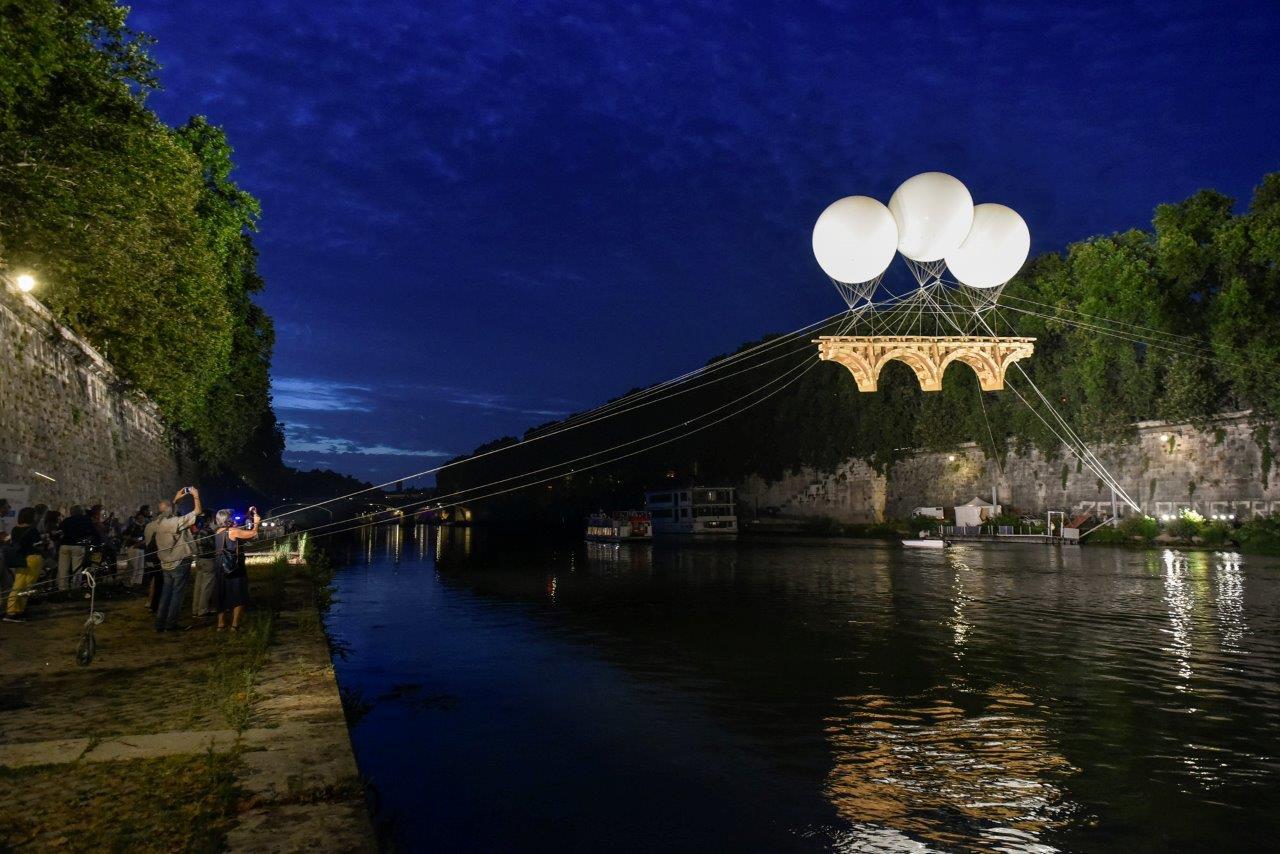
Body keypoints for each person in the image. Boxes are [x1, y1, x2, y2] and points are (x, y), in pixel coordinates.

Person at [152, 487, 202, 632]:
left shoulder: (158, 523)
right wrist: (196, 496)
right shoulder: (176, 522)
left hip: (165, 564)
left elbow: (167, 511)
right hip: (179, 562)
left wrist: (175, 499)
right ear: (170, 510)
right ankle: (171, 624)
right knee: (177, 595)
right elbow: (197, 512)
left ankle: (159, 624)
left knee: (166, 593)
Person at [213, 506, 259, 632]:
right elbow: (253, 533)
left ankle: (221, 625)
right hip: (234, 568)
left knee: (221, 594)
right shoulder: (233, 531)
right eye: (232, 517)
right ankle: (234, 625)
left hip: (219, 567)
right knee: (239, 594)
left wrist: (248, 513)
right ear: (228, 519)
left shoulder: (217, 532)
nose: (234, 519)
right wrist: (256, 522)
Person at [4, 508, 44, 622]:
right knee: (26, 586)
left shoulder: (15, 529)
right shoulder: (33, 530)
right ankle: (15, 612)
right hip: (33, 558)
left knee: (18, 584)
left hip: (20, 558)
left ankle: (13, 611)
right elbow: (38, 545)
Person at [57, 505, 101, 591]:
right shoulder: (85, 520)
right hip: (78, 546)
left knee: (62, 569)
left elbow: (59, 531)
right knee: (76, 569)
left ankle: (62, 588)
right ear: (81, 512)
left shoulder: (66, 521)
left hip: (65, 545)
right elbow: (94, 533)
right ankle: (75, 588)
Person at [191, 515, 216, 619]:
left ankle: (195, 610)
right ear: (210, 520)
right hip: (208, 560)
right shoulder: (209, 532)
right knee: (206, 587)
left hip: (200, 560)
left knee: (198, 586)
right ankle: (203, 610)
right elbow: (213, 545)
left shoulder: (198, 531)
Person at [121, 507, 150, 589]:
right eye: (140, 518)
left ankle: (138, 582)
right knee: (134, 566)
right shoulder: (133, 526)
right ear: (137, 519)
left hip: (141, 548)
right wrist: (133, 539)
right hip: (134, 548)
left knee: (140, 567)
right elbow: (124, 535)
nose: (142, 519)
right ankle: (131, 582)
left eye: (142, 518)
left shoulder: (144, 527)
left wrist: (142, 541)